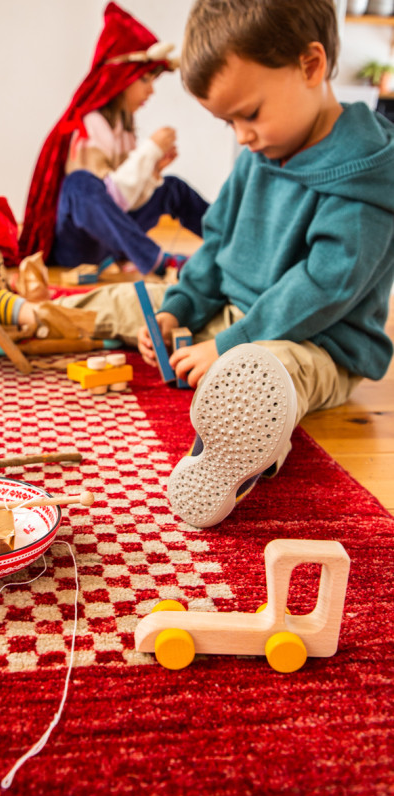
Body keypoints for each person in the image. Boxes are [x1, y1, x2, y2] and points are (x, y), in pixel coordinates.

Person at [57, 0, 394, 528]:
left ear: (311, 65)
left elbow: (324, 286)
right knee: (138, 298)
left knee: (281, 369)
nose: (242, 136)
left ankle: (238, 451)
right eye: (228, 122)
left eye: (251, 113)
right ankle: (22, 313)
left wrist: (230, 347)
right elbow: (215, 244)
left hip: (320, 341)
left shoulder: (365, 175)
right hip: (234, 318)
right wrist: (179, 310)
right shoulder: (259, 151)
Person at [19, 2, 209, 276]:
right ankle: (157, 261)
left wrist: (152, 172)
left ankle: (230, 243)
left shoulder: (124, 126)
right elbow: (111, 199)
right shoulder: (88, 126)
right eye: (145, 80)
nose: (151, 91)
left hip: (111, 242)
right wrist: (150, 153)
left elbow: (125, 201)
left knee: (172, 188)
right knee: (79, 184)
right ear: (122, 77)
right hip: (77, 247)